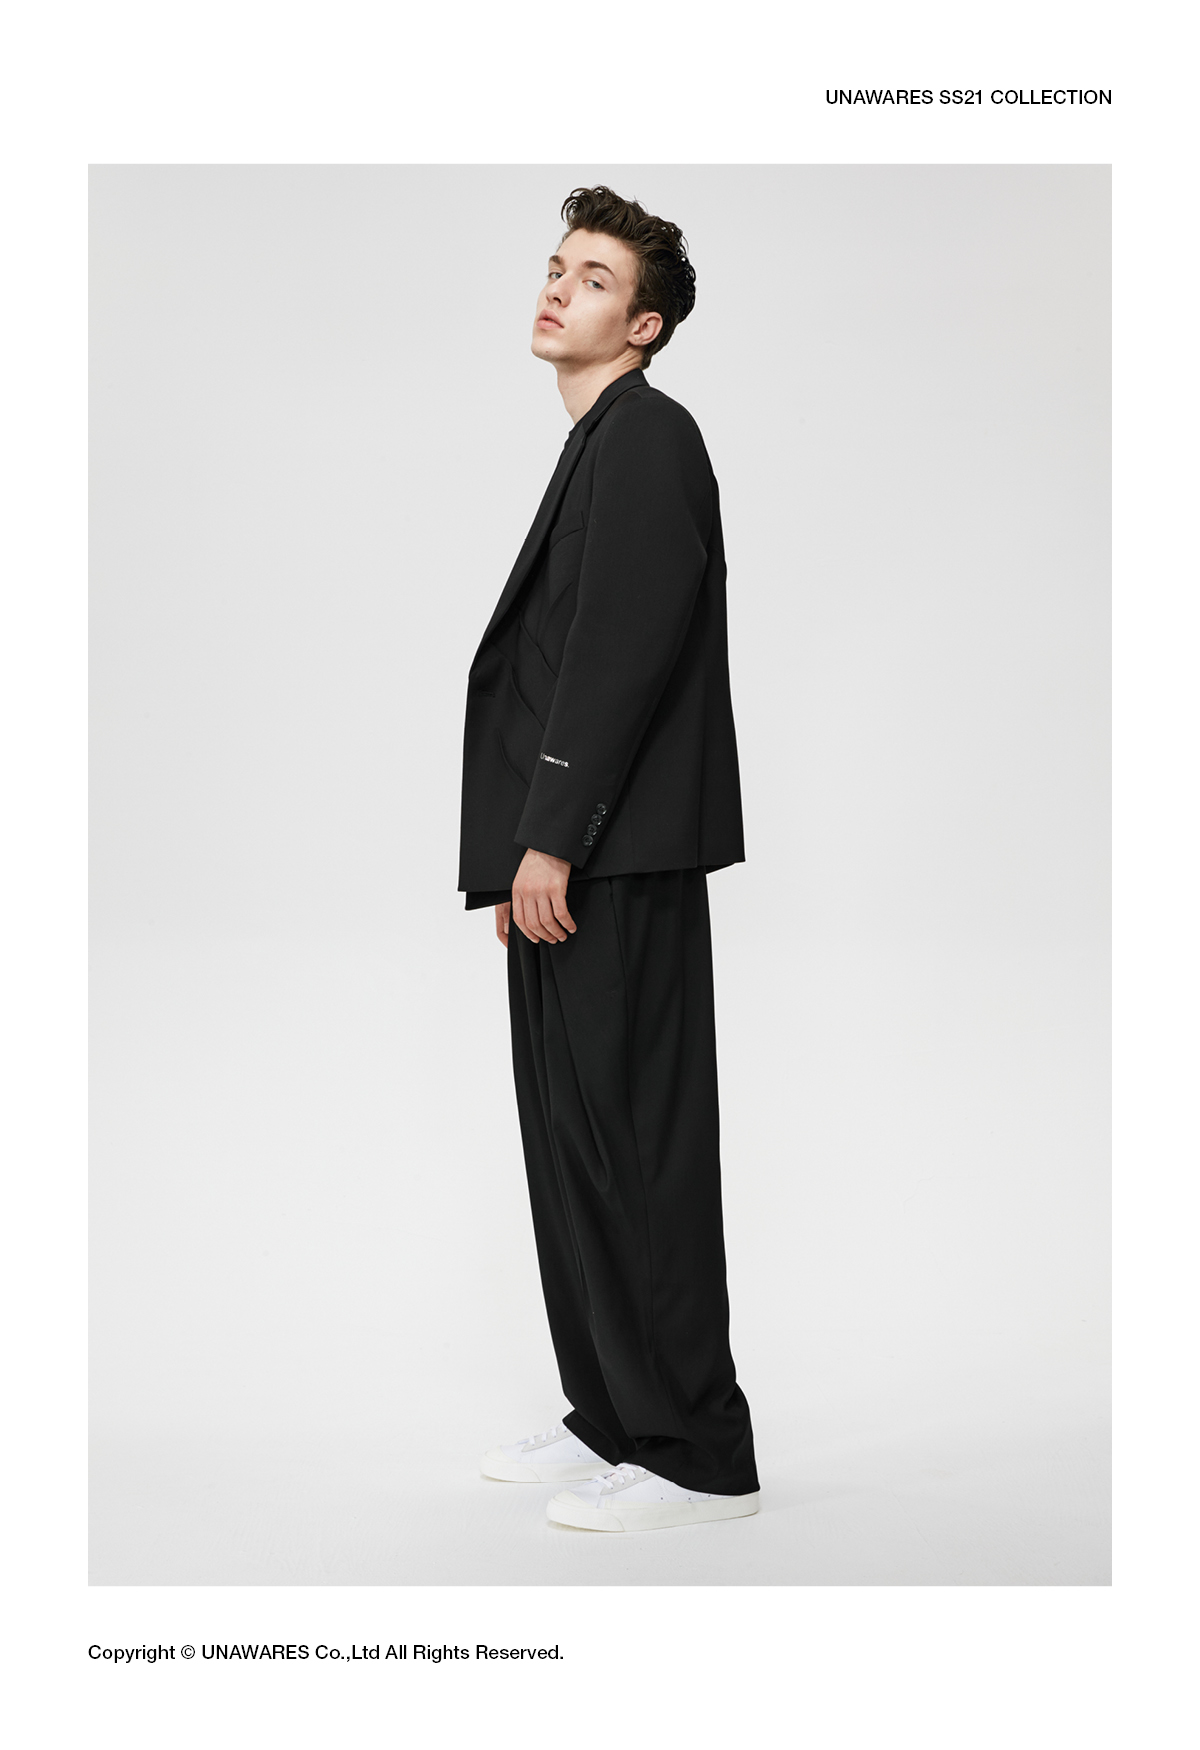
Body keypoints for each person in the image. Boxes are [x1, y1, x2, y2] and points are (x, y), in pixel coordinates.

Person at [457, 186, 759, 1533]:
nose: (556, 289)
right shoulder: (598, 443)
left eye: (591, 279)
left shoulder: (649, 438)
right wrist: (523, 854)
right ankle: (613, 1417)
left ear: (643, 326)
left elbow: (621, 654)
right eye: (555, 266)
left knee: (636, 1151)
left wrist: (550, 839)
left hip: (613, 861)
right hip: (574, 863)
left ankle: (698, 1455)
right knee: (572, 1151)